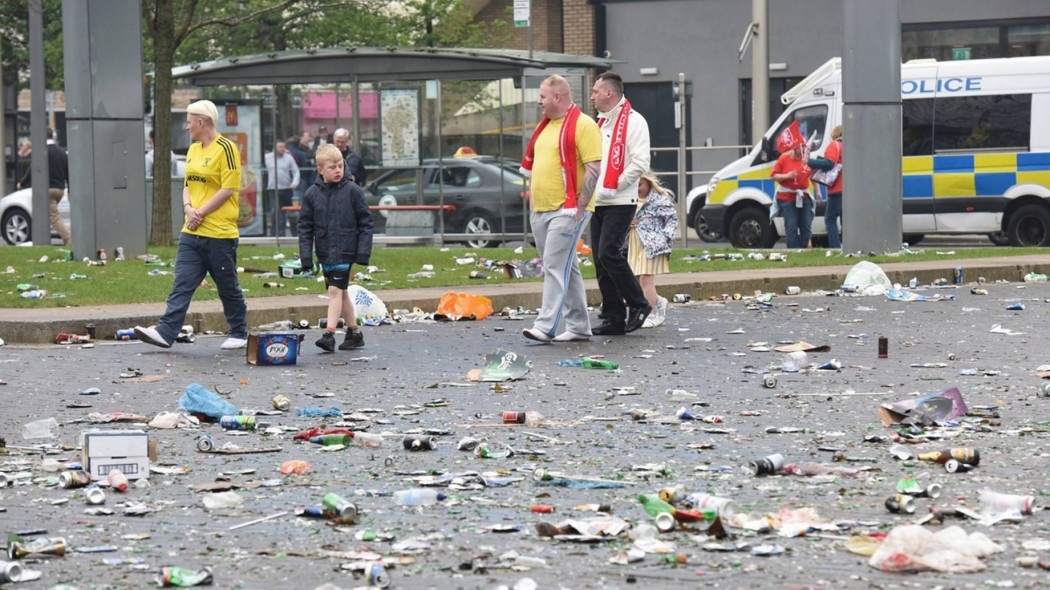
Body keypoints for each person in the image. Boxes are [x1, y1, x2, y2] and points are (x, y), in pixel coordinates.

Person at [134, 100, 249, 350]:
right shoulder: (194, 150)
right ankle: (165, 332)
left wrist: (201, 213)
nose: (186, 127)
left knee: (227, 286)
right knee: (182, 283)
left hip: (219, 233)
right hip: (192, 231)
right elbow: (188, 185)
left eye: (188, 122)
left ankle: (239, 331)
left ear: (201, 122)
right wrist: (188, 209)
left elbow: (228, 189)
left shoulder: (227, 149)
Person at [519, 75, 602, 343]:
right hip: (541, 209)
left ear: (557, 97)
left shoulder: (584, 125)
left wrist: (578, 208)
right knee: (566, 266)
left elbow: (593, 168)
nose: (538, 101)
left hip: (567, 211)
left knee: (554, 265)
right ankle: (578, 326)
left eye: (542, 96)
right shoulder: (545, 127)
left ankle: (546, 326)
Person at [588, 71, 652, 335]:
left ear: (609, 93)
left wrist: (613, 186)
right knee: (600, 261)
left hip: (621, 199)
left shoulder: (635, 122)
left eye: (595, 91)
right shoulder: (601, 123)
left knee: (609, 253)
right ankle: (613, 317)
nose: (591, 96)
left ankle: (639, 303)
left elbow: (640, 163)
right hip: (598, 201)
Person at [298, 144, 375, 352]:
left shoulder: (352, 191)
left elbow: (366, 222)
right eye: (332, 167)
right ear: (320, 170)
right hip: (325, 252)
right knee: (342, 293)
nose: (338, 170)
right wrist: (306, 257)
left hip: (345, 250)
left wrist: (362, 252)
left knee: (334, 291)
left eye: (341, 165)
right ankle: (355, 333)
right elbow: (305, 227)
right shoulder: (311, 194)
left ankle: (329, 334)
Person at [628, 171, 677, 328]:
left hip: (653, 243)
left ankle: (653, 313)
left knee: (645, 279)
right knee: (635, 280)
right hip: (635, 243)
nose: (637, 188)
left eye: (640, 184)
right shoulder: (629, 199)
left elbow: (671, 218)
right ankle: (658, 301)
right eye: (634, 185)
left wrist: (666, 237)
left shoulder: (658, 200)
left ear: (649, 182)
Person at [17, 127, 70, 246]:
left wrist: (22, 183)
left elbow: (32, 169)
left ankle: (68, 239)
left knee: (54, 217)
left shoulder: (43, 151)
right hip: (60, 190)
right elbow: (68, 172)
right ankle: (42, 240)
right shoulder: (62, 152)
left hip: (48, 189)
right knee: (46, 215)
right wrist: (70, 190)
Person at [771, 120, 814, 249]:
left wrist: (816, 191)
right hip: (787, 197)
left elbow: (811, 175)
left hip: (804, 196)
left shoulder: (806, 159)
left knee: (806, 224)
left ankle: (805, 250)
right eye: (800, 147)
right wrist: (787, 176)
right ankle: (793, 251)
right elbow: (773, 176)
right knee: (791, 226)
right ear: (794, 147)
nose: (802, 150)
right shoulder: (784, 158)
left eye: (804, 147)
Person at [809, 125, 843, 248]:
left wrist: (810, 162)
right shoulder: (850, 146)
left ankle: (835, 247)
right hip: (850, 189)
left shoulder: (835, 145)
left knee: (830, 219)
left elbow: (829, 163)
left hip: (837, 188)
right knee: (846, 220)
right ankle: (849, 246)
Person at [264, 140, 301, 236]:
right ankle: (276, 234)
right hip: (273, 189)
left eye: (283, 146)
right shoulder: (267, 158)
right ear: (274, 148)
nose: (282, 149)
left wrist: (295, 182)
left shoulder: (289, 158)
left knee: (292, 212)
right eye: (280, 147)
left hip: (287, 189)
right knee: (275, 212)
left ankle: (295, 233)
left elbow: (296, 171)